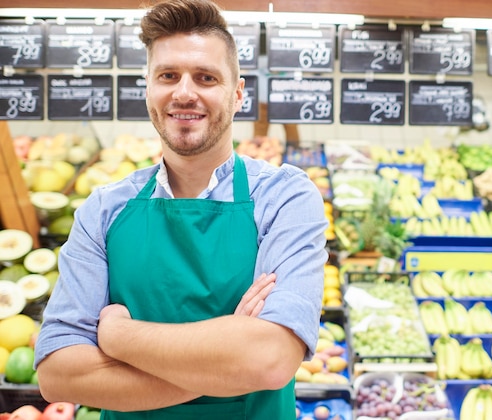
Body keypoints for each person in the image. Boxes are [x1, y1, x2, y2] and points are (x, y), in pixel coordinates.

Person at [34, 1, 329, 419]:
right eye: (168, 76)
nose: (184, 92)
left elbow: (270, 359)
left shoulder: (285, 198)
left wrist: (119, 337)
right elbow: (60, 376)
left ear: (238, 92)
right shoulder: (103, 209)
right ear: (149, 87)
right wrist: (228, 360)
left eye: (206, 78)